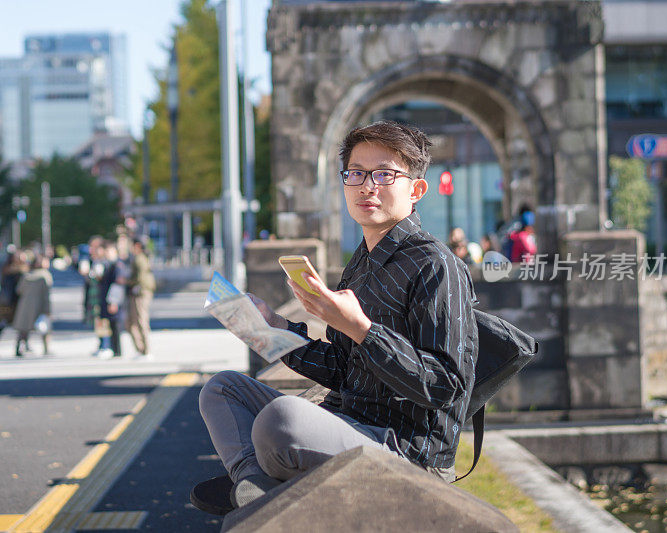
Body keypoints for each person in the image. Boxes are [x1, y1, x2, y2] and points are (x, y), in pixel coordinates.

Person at [195, 121, 478, 511]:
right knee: (222, 389)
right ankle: (253, 484)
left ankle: (258, 485)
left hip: (406, 451)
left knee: (281, 420)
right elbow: (344, 371)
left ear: (416, 190)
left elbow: (447, 386)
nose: (367, 186)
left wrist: (361, 329)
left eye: (384, 174)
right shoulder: (360, 265)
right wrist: (273, 329)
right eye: (356, 173)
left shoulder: (436, 265)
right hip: (349, 424)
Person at [12, 255, 52, 357]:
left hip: (25, 304)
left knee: (23, 328)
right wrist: (48, 309)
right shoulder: (45, 276)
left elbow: (19, 290)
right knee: (44, 327)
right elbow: (46, 294)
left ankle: (18, 348)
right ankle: (46, 348)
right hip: (39, 304)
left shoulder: (26, 275)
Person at [0, 248, 28, 358]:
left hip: (10, 301)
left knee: (10, 325)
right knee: (11, 325)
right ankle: (14, 347)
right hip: (12, 302)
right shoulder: (16, 271)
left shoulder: (9, 270)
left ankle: (15, 347)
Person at [97, 240, 128, 359]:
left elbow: (118, 284)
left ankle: (117, 351)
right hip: (107, 299)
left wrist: (114, 301)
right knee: (111, 326)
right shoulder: (108, 264)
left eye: (109, 251)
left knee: (115, 327)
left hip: (112, 300)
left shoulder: (117, 265)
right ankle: (113, 349)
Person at [126, 236, 156, 359]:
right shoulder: (142, 258)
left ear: (137, 246)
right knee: (134, 321)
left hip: (140, 293)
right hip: (141, 292)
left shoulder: (139, 259)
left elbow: (140, 278)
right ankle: (141, 349)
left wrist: (128, 281)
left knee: (140, 320)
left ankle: (146, 350)